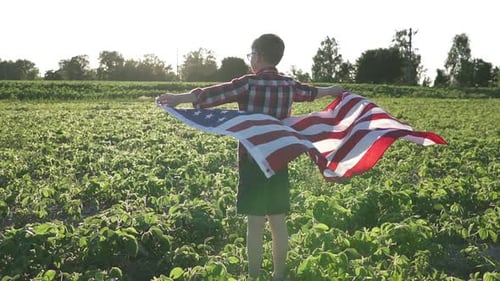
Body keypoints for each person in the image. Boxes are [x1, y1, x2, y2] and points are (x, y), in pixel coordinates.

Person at [157, 33, 344, 280]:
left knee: (255, 223)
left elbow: (213, 94)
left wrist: (178, 99)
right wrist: (334, 90)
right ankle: (278, 275)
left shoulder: (248, 83)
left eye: (251, 54)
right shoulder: (289, 85)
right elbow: (313, 92)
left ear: (257, 55)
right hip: (278, 159)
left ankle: (254, 276)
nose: (250, 59)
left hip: (252, 160)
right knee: (278, 221)